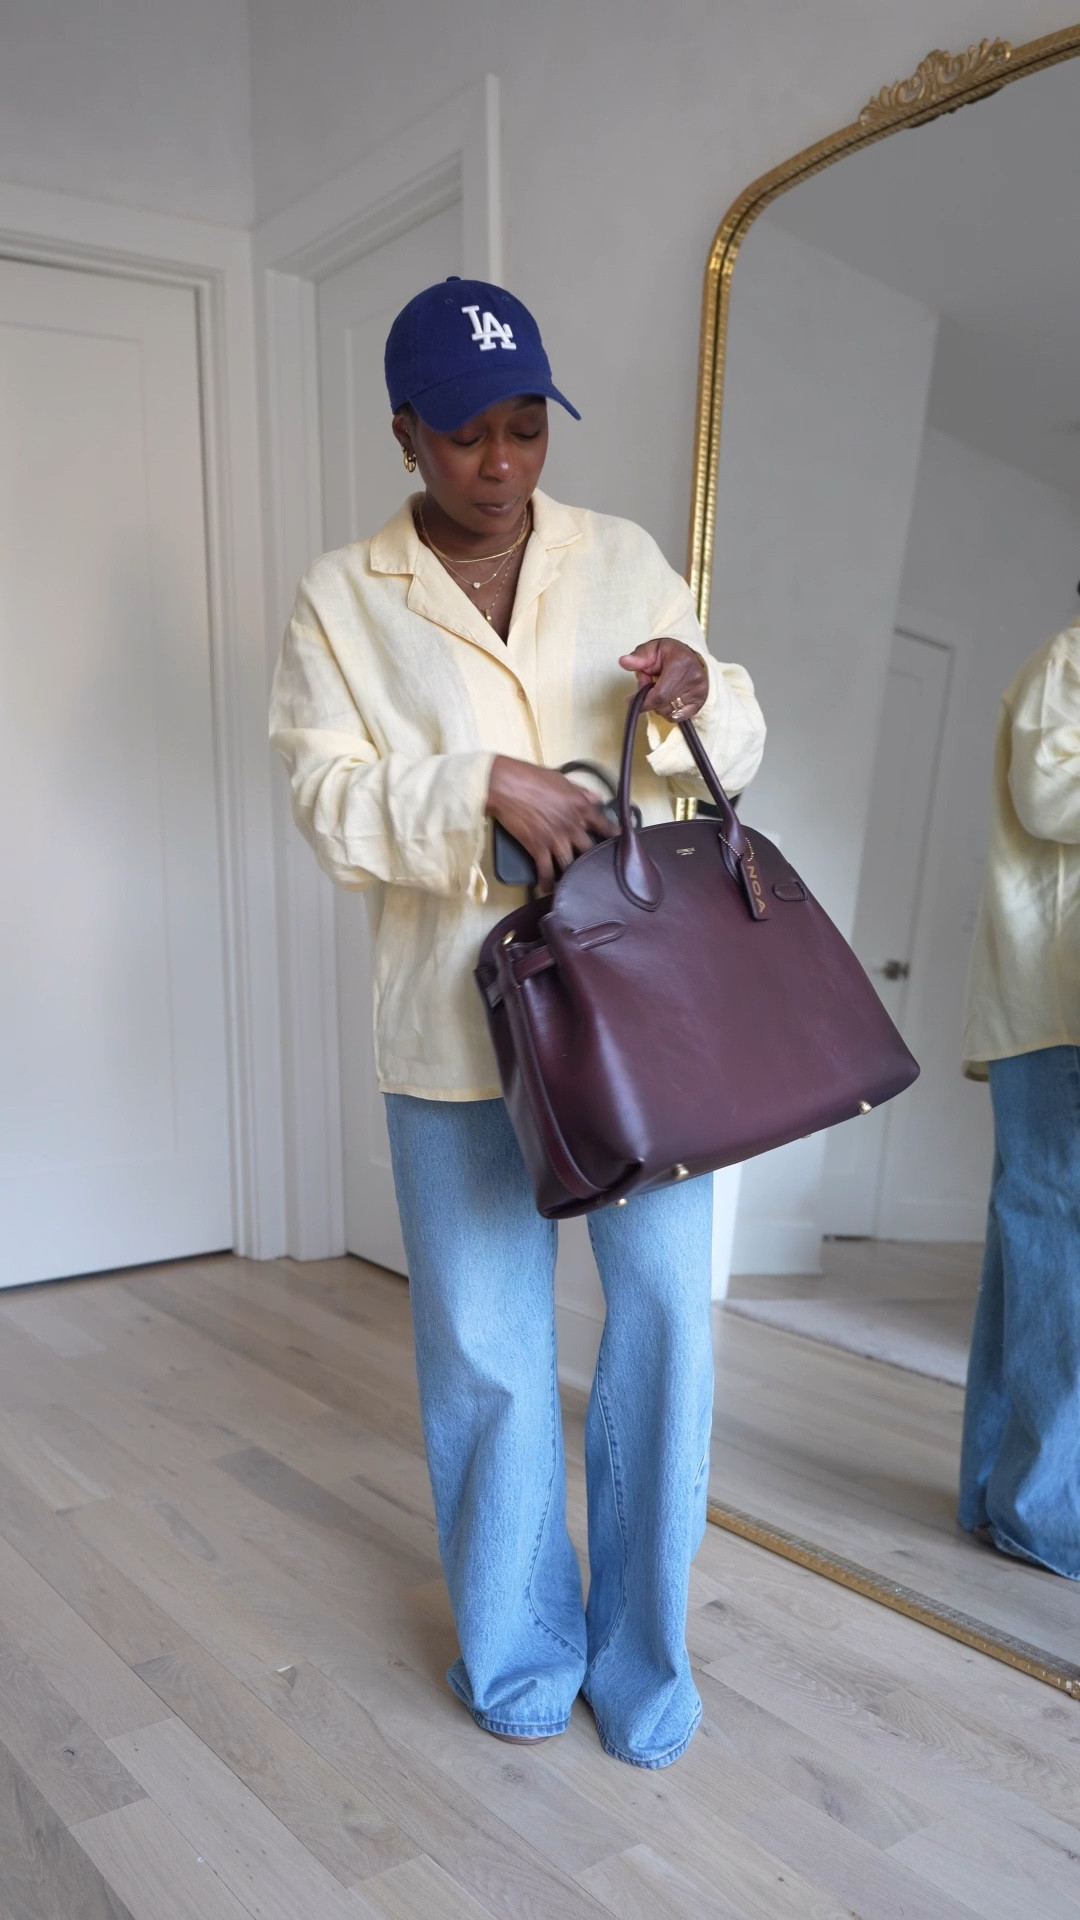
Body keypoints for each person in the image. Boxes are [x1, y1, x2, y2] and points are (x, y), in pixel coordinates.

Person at [270, 277, 766, 1766]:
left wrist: (699, 696)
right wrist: (478, 784)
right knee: (487, 1353)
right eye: (467, 435)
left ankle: (646, 1656)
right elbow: (325, 797)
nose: (502, 464)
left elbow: (729, 743)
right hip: (455, 1030)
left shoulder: (624, 559)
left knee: (665, 1325)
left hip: (643, 1018)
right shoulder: (342, 595)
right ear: (404, 434)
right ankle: (521, 1644)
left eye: (527, 428)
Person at [959, 615, 1080, 1578]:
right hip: (1056, 1002)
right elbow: (1050, 794)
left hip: (1050, 1003)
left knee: (1035, 1252)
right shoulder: (1072, 654)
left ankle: (1002, 1497)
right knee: (1055, 1254)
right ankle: (1045, 1513)